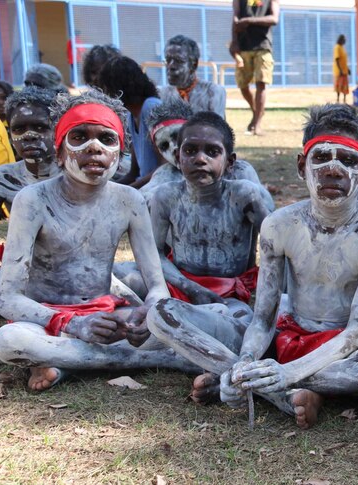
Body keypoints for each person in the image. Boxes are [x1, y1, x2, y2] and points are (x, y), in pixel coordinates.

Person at [146, 104, 358, 424]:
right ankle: (252, 381)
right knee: (161, 314)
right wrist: (246, 360)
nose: (333, 171)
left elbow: (355, 332)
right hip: (283, 340)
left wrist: (286, 373)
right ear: (301, 165)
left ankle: (276, 387)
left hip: (342, 355)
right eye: (321, 158)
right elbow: (263, 320)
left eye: (348, 161)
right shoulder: (280, 225)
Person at [0, 89, 197, 391]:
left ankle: (64, 364)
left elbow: (156, 285)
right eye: (79, 137)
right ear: (60, 151)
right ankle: (160, 360)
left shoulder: (129, 199)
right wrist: (72, 324)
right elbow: (7, 298)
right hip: (47, 320)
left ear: (120, 151)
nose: (94, 148)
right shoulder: (32, 200)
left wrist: (146, 314)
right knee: (10, 341)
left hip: (107, 318)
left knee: (182, 324)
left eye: (106, 139)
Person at [146, 112, 270, 326]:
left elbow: (276, 246)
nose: (200, 159)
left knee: (240, 322)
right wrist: (189, 287)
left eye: (212, 152)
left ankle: (178, 326)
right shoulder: (166, 196)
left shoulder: (243, 195)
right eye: (190, 151)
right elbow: (154, 252)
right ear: (178, 157)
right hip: (179, 286)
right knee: (124, 275)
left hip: (229, 295)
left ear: (230, 162)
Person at [133, 101, 273, 210]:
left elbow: (266, 209)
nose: (173, 148)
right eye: (164, 146)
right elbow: (140, 200)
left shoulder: (240, 171)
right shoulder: (165, 175)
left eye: (177, 137)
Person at [98, 56, 162, 188]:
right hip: (144, 188)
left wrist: (129, 191)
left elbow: (164, 169)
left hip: (157, 190)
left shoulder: (151, 107)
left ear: (119, 88)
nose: (105, 96)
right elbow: (134, 173)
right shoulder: (130, 115)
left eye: (107, 89)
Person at [0, 87, 61, 218]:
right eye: (19, 129)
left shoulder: (76, 174)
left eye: (40, 127)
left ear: (57, 130)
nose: (29, 136)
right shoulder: (4, 178)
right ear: (10, 135)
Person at [232, 0, 280, 136]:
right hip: (243, 46)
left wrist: (248, 20)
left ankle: (257, 124)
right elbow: (235, 18)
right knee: (242, 85)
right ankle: (256, 112)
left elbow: (274, 18)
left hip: (263, 46)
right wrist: (234, 41)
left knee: (261, 84)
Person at [160, 35, 227, 118]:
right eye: (167, 60)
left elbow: (217, 129)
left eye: (178, 61)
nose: (170, 66)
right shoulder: (163, 94)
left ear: (193, 65)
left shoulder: (212, 93)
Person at [333, 35, 350, 104]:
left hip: (344, 70)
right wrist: (340, 70)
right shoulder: (337, 47)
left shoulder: (342, 48)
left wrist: (347, 69)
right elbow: (337, 59)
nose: (345, 41)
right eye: (344, 39)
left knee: (344, 85)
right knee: (339, 85)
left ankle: (344, 100)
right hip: (339, 71)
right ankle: (338, 100)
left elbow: (344, 60)